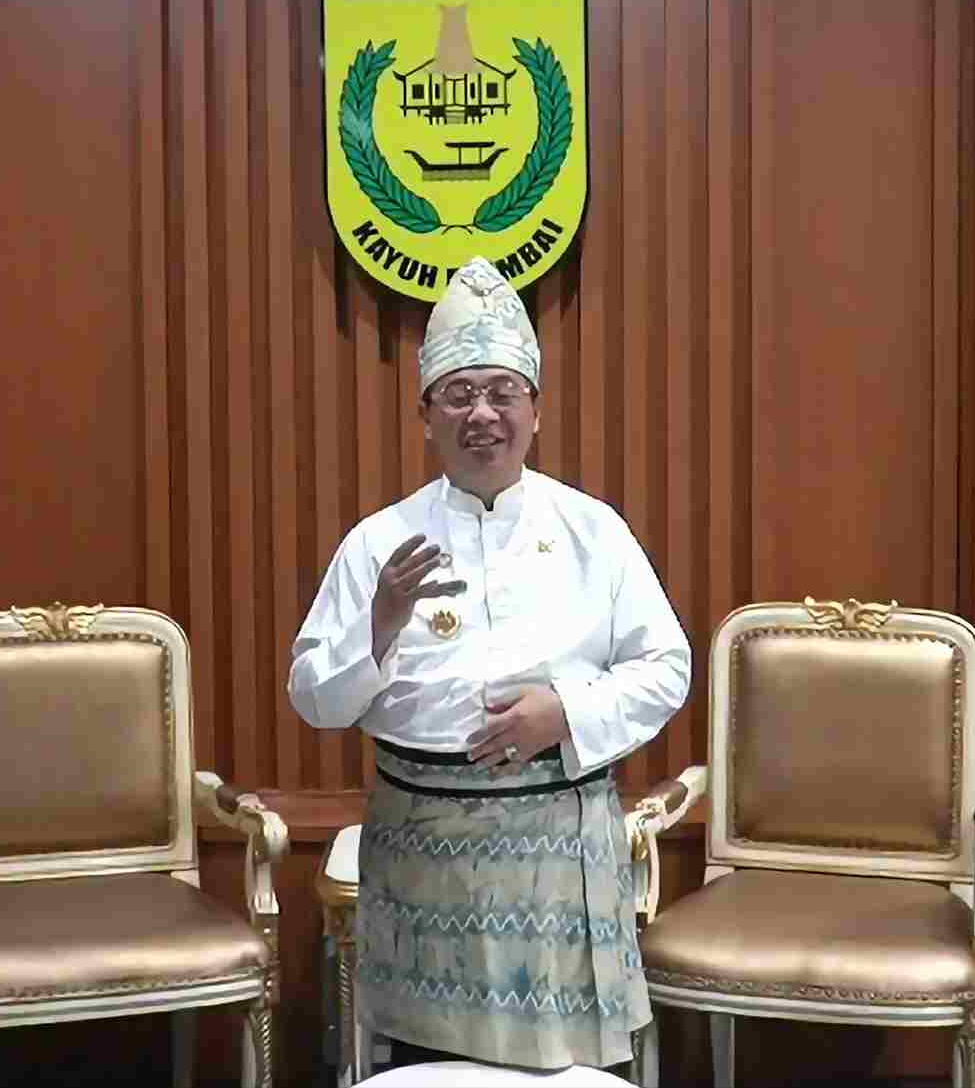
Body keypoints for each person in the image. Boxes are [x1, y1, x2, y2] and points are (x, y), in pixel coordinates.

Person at [287, 259, 691, 1073]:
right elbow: (313, 699)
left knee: (565, 1071)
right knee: (427, 1066)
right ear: (425, 415)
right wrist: (379, 625)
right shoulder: (378, 542)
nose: (481, 413)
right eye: (458, 394)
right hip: (421, 853)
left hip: (559, 849)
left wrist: (565, 711)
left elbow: (665, 666)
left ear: (534, 410)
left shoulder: (592, 530)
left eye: (501, 392)